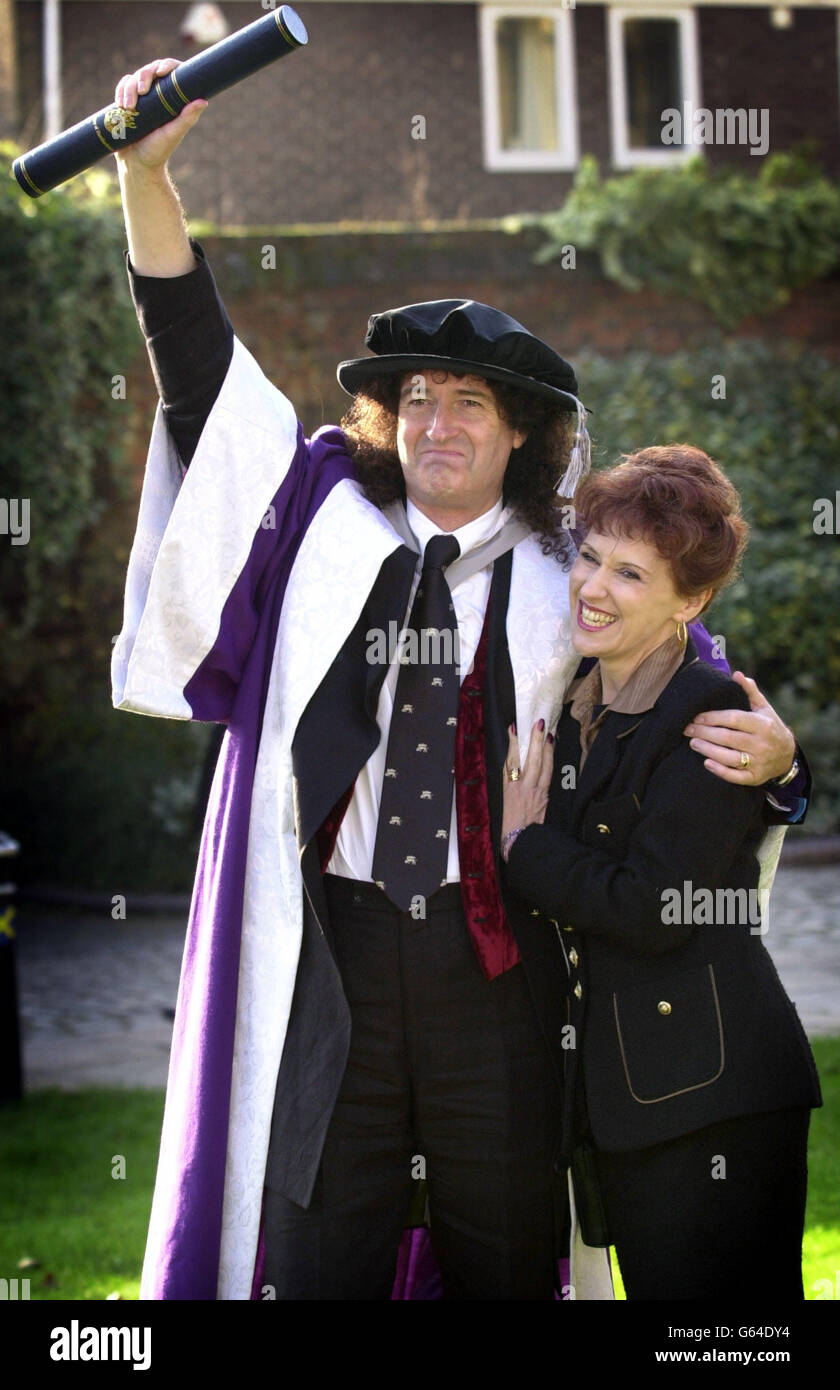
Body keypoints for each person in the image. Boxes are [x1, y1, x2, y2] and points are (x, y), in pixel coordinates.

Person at [110, 58, 809, 1300]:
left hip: (499, 961)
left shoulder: (564, 569)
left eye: (470, 400)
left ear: (519, 431)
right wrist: (143, 172)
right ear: (389, 417)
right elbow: (197, 365)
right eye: (416, 398)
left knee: (502, 1245)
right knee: (324, 1245)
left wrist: (783, 763)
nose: (437, 421)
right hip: (340, 947)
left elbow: (689, 676)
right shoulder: (319, 519)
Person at [501, 445, 821, 1300]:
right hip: (635, 1095)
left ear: (692, 600)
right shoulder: (574, 699)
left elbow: (653, 907)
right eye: (593, 559)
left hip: (713, 1096)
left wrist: (523, 847)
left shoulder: (711, 717)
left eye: (632, 575)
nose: (594, 588)